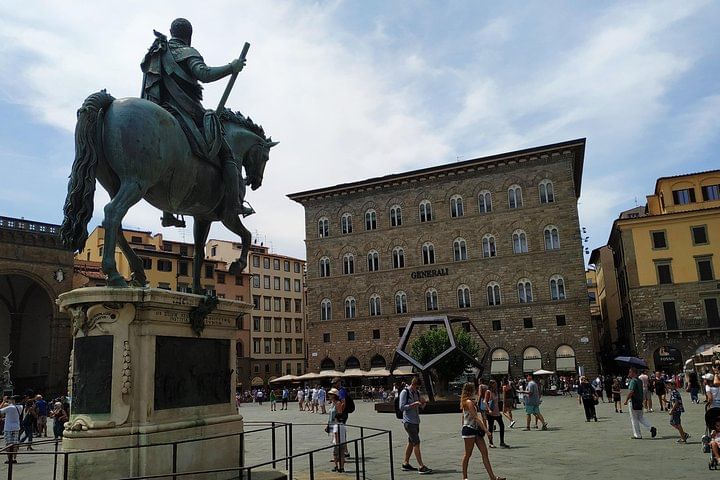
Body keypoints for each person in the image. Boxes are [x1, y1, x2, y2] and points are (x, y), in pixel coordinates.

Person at [140, 18, 252, 228]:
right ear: (189, 36)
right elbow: (204, 74)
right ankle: (235, 204)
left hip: (159, 110)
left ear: (171, 32)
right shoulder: (187, 52)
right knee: (227, 153)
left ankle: (167, 214)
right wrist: (232, 66)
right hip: (185, 111)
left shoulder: (158, 51)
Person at [459, 383, 505, 480]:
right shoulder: (468, 402)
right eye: (474, 389)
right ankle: (464, 477)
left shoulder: (469, 402)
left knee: (485, 453)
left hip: (475, 430)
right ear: (471, 390)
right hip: (469, 430)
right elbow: (476, 418)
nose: (476, 391)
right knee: (468, 454)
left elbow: (463, 416)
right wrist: (487, 431)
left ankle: (492, 477)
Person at [399, 376, 432, 474]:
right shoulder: (405, 392)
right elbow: (401, 407)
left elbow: (421, 406)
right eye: (417, 387)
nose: (418, 389)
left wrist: (423, 403)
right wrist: (413, 404)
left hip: (416, 421)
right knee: (416, 443)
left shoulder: (416, 392)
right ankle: (421, 466)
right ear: (413, 384)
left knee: (411, 442)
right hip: (409, 422)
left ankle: (405, 463)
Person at [624, 367, 657, 439]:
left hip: (633, 401)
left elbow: (631, 391)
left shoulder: (633, 381)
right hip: (639, 401)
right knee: (640, 417)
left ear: (633, 373)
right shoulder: (639, 380)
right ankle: (651, 428)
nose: (629, 373)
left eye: (630, 372)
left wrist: (626, 400)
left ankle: (637, 435)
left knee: (634, 419)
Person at [326, 388, 346, 473]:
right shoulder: (332, 403)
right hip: (331, 424)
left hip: (336, 424)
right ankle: (336, 463)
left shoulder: (338, 403)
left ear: (334, 395)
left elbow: (339, 414)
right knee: (334, 442)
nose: (329, 395)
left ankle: (337, 465)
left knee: (337, 443)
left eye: (330, 394)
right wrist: (328, 425)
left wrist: (336, 423)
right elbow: (330, 415)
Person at [485, 380, 509, 448]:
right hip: (491, 413)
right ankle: (490, 443)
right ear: (491, 385)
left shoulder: (496, 392)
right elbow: (485, 402)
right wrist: (489, 410)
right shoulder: (488, 392)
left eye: (496, 384)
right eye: (494, 384)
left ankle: (502, 442)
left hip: (497, 412)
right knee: (491, 428)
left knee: (502, 426)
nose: (496, 385)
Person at [0, 396, 23, 464]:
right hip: (16, 427)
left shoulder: (10, 407)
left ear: (14, 400)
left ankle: (9, 459)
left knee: (8, 444)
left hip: (8, 428)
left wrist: (4, 401)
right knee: (15, 444)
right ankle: (14, 458)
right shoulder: (20, 407)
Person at [666, 379, 689, 443]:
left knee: (678, 423)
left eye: (669, 384)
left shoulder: (674, 392)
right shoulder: (673, 391)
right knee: (672, 422)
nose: (667, 386)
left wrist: (672, 410)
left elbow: (676, 402)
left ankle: (683, 438)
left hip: (676, 410)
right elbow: (674, 401)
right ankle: (683, 434)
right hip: (676, 409)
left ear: (673, 385)